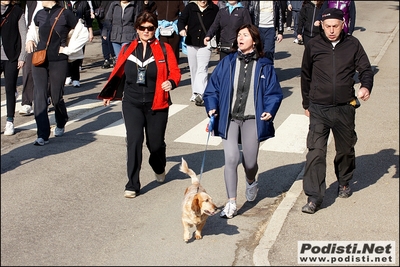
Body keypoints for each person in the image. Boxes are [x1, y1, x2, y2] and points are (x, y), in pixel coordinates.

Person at [98, 11, 181, 199]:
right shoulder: (128, 48)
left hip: (157, 103)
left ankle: (159, 166)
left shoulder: (165, 49)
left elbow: (175, 72)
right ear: (137, 29)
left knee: (156, 144)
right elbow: (118, 72)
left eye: (150, 28)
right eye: (143, 28)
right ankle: (132, 184)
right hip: (132, 103)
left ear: (155, 29)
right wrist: (109, 93)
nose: (146, 31)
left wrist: (171, 82)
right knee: (134, 142)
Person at [203, 24, 283, 218]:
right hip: (229, 118)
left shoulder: (264, 65)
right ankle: (231, 202)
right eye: (239, 35)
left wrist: (269, 110)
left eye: (245, 35)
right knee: (231, 158)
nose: (240, 38)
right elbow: (212, 88)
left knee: (250, 162)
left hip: (252, 119)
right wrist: (212, 106)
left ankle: (251, 180)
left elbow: (274, 93)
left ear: (254, 40)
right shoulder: (227, 62)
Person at [300, 8, 373, 214]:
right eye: (328, 26)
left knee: (346, 150)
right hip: (319, 108)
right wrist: (307, 104)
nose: (332, 30)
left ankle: (344, 181)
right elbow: (305, 76)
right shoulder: (313, 45)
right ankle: (314, 197)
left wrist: (366, 86)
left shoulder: (353, 44)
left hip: (344, 108)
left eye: (336, 26)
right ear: (322, 26)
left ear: (343, 25)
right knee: (315, 152)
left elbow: (366, 69)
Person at [25, 0, 89, 146]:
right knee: (39, 95)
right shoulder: (39, 14)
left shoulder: (65, 14)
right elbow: (32, 30)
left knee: (56, 97)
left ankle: (61, 120)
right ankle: (42, 134)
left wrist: (68, 50)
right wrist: (29, 40)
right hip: (40, 60)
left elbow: (83, 33)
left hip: (58, 61)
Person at [178, 0, 219, 106]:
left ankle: (201, 93)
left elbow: (217, 25)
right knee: (194, 69)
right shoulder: (190, 7)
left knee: (202, 68)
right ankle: (194, 93)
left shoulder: (214, 9)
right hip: (191, 43)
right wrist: (182, 29)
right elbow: (182, 20)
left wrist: (217, 40)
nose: (203, 1)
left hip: (206, 44)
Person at [1, 0, 27, 136]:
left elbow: (24, 34)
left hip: (11, 56)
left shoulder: (17, 11)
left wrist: (22, 56)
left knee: (10, 88)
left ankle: (10, 121)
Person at [19, 1, 43, 116]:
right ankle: (26, 102)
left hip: (47, 38)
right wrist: (28, 38)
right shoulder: (30, 2)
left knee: (45, 69)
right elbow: (28, 20)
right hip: (32, 37)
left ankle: (45, 98)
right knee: (28, 69)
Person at [62, 0, 94, 87]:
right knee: (66, 53)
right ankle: (68, 75)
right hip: (66, 31)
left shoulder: (83, 3)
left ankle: (75, 78)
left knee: (76, 55)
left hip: (79, 31)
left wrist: (90, 31)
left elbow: (88, 18)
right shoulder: (64, 2)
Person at [92, 1, 116, 69]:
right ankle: (107, 59)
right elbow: (95, 4)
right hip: (103, 18)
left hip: (112, 18)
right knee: (105, 39)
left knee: (110, 39)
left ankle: (113, 57)